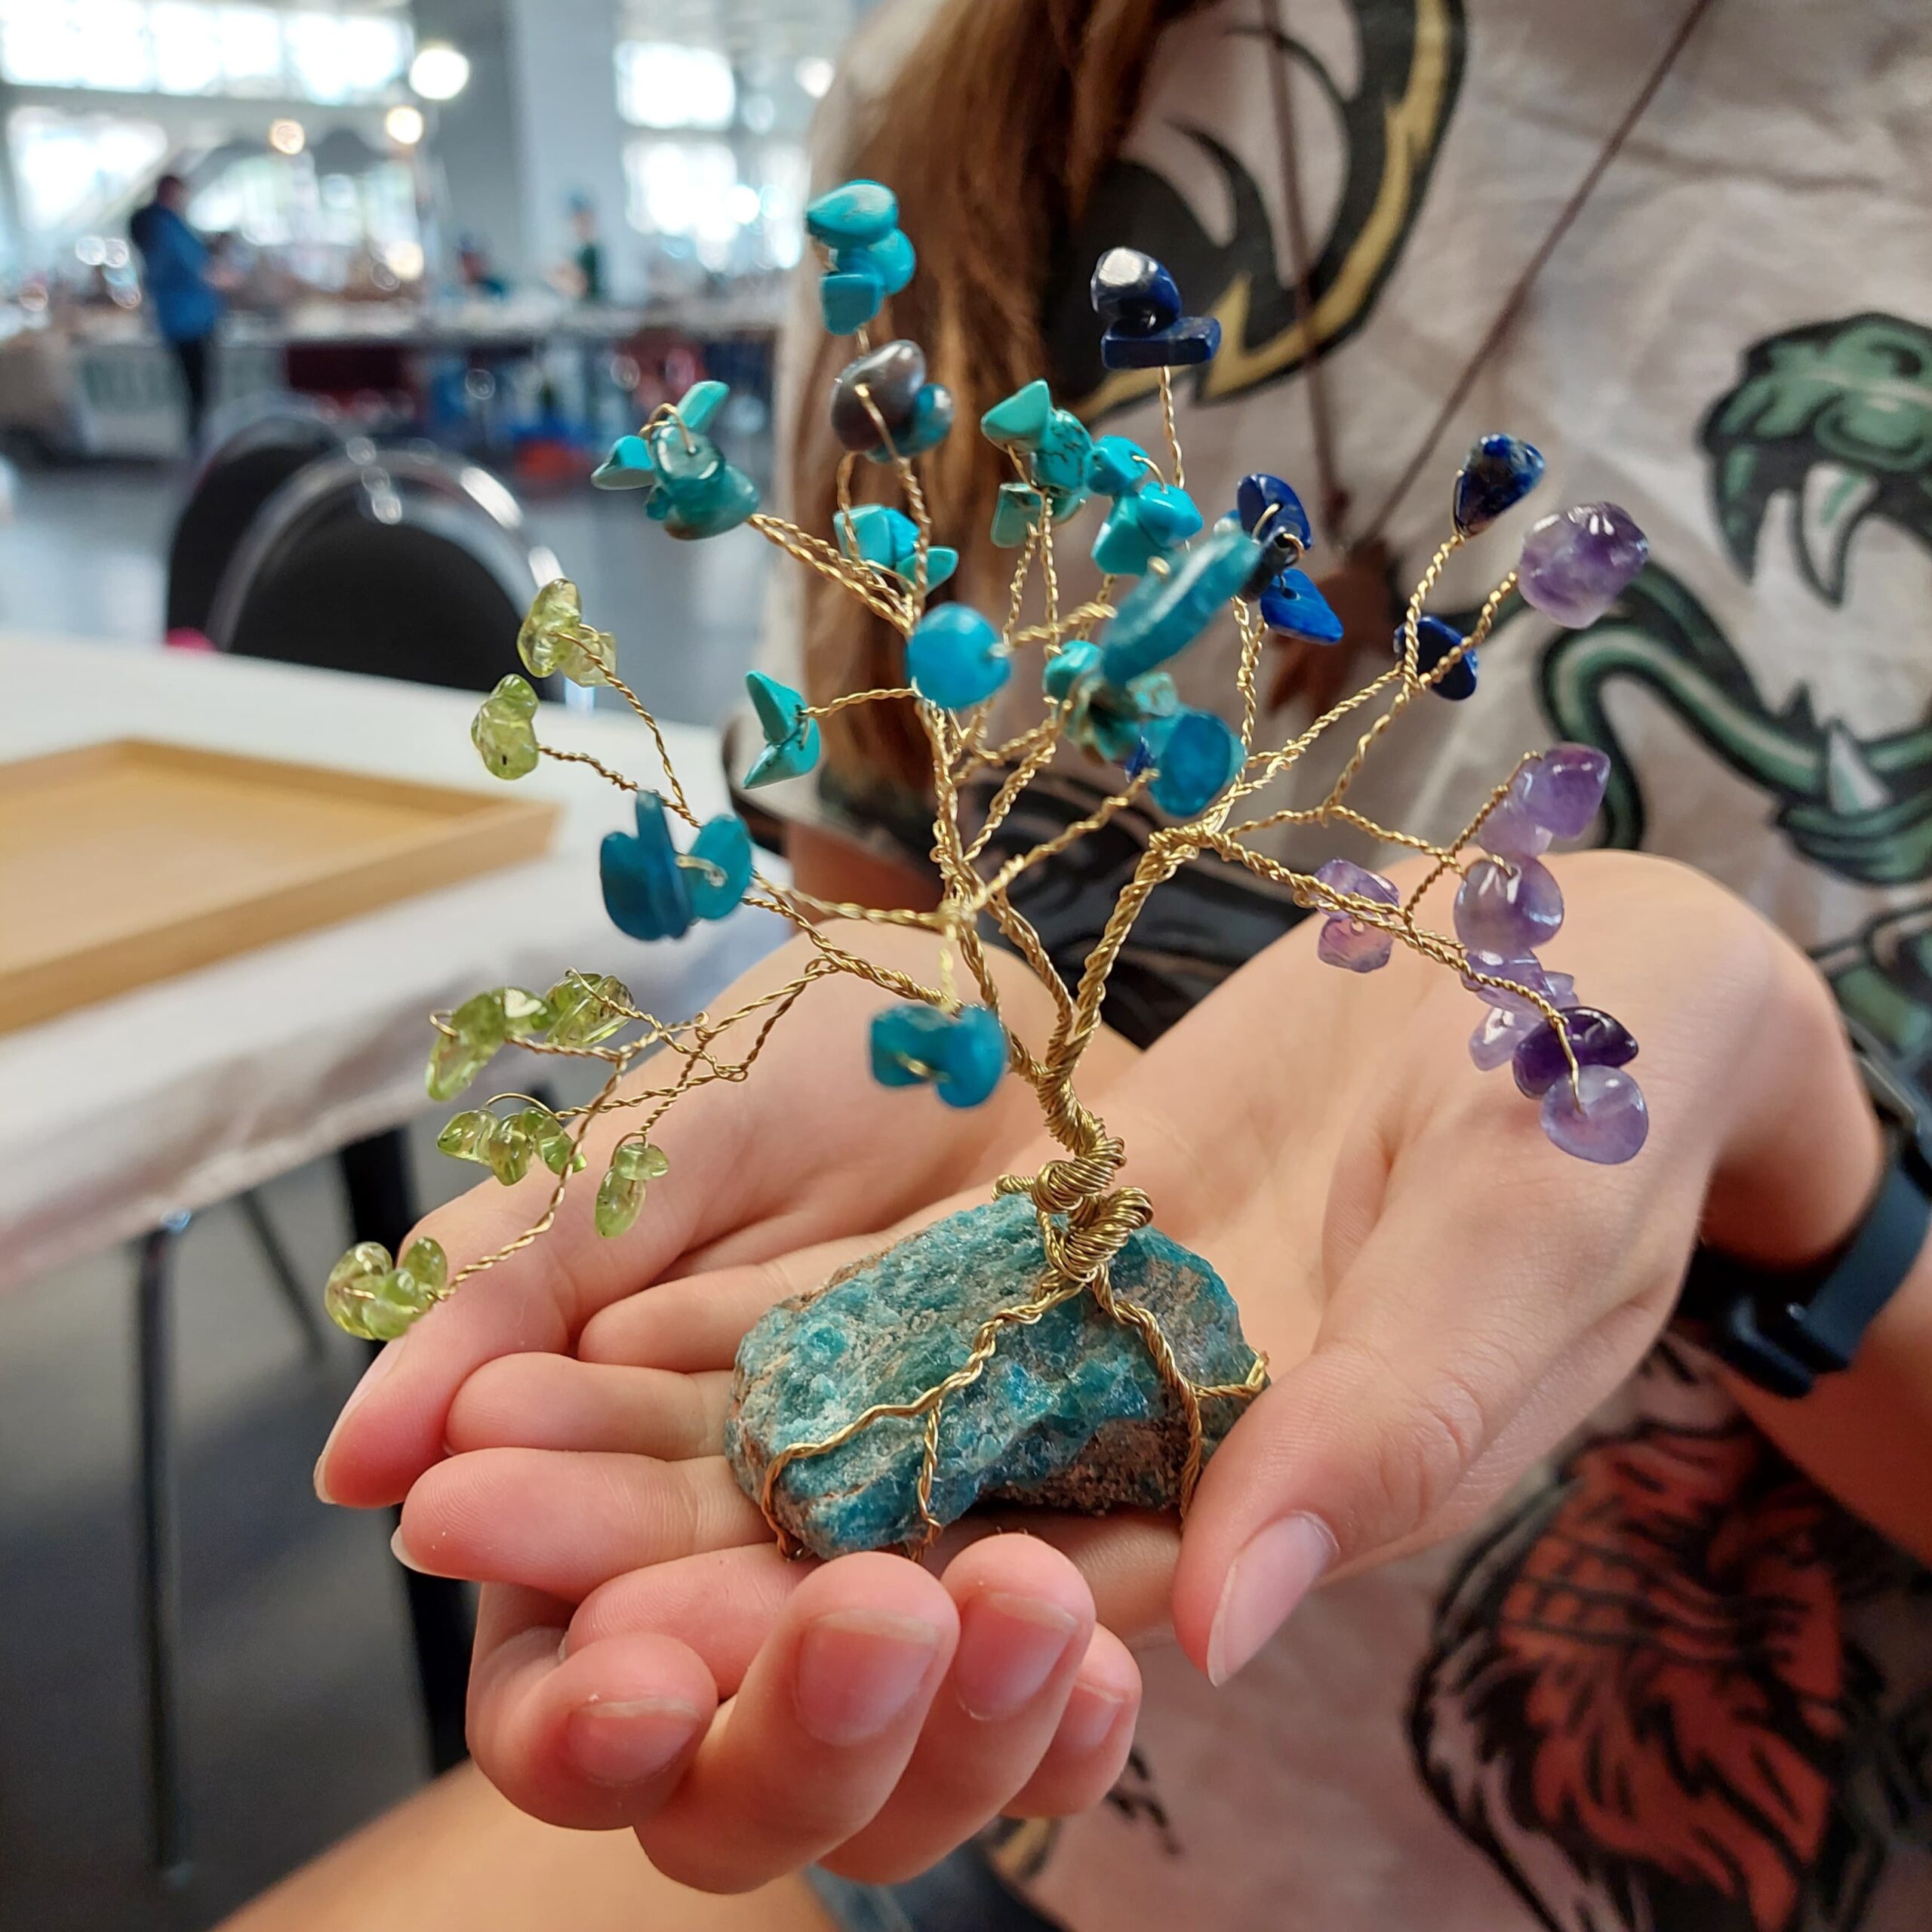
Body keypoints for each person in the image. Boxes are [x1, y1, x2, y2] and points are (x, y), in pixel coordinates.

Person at [312, 1, 1932, 1928]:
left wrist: (1792, 1154)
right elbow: (916, 911)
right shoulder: (975, 95)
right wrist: (930, 998)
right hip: (976, 1813)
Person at [129, 172, 223, 446]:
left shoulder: (159, 227)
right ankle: (200, 447)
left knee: (196, 390)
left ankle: (200, 444)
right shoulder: (167, 228)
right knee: (198, 391)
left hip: (182, 318)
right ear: (173, 193)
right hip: (189, 321)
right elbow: (195, 270)